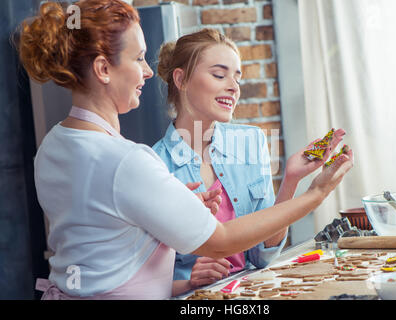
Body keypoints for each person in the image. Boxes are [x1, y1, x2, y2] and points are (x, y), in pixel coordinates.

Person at [18, 0, 353, 300]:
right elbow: (220, 240)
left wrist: (178, 209)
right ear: (103, 69)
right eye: (138, 59)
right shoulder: (131, 161)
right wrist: (317, 194)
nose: (148, 71)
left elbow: (105, 247)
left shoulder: (51, 147)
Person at [153, 28, 346, 290]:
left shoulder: (251, 142)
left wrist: (290, 180)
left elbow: (261, 256)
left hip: (249, 292)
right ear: (181, 79)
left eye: (237, 78)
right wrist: (186, 281)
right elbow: (139, 282)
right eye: (219, 75)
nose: (233, 87)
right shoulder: (154, 165)